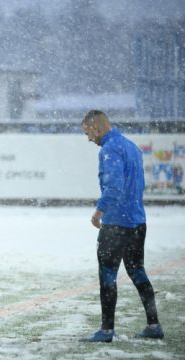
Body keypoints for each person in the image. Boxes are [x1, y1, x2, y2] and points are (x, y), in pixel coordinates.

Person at [80, 110, 164, 342]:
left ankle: (106, 330)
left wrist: (99, 212)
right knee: (138, 272)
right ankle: (154, 325)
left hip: (117, 224)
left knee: (107, 276)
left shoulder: (110, 149)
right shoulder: (132, 147)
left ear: (97, 127)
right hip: (137, 221)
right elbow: (138, 185)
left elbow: (114, 187)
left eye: (88, 132)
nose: (88, 138)